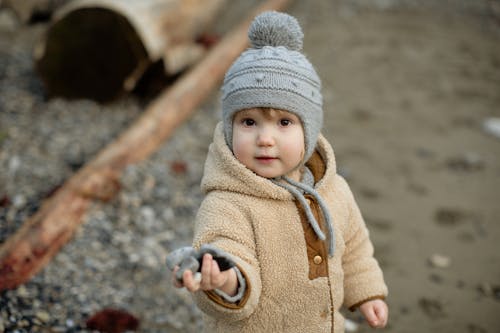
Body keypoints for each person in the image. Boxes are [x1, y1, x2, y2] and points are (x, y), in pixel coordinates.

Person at [168, 11, 388, 332]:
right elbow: (229, 253)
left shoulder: (333, 189)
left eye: (284, 122)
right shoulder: (227, 204)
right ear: (229, 129)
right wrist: (225, 280)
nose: (265, 139)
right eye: (248, 122)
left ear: (309, 131)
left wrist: (367, 294)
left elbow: (354, 248)